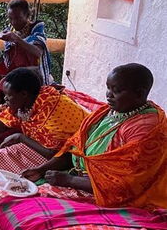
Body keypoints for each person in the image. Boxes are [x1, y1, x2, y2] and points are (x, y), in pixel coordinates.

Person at [22, 64, 167, 210]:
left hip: (110, 196)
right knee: (17, 194)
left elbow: (126, 183)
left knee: (31, 208)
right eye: (108, 88)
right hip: (78, 179)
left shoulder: (146, 128)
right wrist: (40, 170)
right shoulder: (106, 112)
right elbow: (75, 148)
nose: (108, 94)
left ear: (139, 94)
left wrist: (70, 180)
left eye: (116, 91)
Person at [1, 0, 52, 84]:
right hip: (15, 76)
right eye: (10, 18)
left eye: (17, 18)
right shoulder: (9, 31)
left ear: (27, 15)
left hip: (34, 76)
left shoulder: (36, 28)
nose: (13, 22)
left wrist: (17, 39)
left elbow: (38, 52)